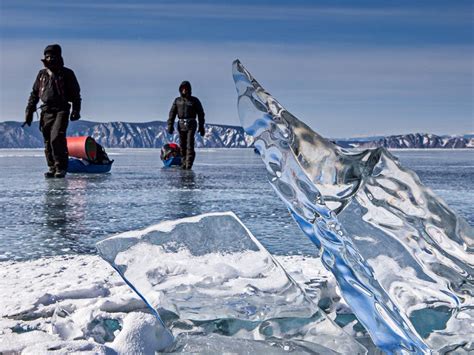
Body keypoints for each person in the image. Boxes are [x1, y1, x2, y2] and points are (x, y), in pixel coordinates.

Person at [24, 44, 81, 178]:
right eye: (47, 56)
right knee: (48, 140)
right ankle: (52, 166)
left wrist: (76, 110)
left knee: (56, 137)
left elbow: (76, 94)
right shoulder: (41, 74)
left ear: (58, 57)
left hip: (61, 110)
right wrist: (29, 111)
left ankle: (61, 167)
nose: (49, 58)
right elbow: (34, 93)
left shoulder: (67, 73)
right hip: (46, 111)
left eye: (52, 56)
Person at [167, 81, 205, 170]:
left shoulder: (194, 100)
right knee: (182, 145)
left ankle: (188, 164)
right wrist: (170, 125)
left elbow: (201, 113)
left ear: (189, 89)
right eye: (183, 88)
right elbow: (172, 113)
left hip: (191, 124)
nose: (184, 90)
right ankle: (183, 163)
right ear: (180, 89)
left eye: (186, 88)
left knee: (189, 145)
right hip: (180, 125)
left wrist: (201, 126)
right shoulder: (177, 101)